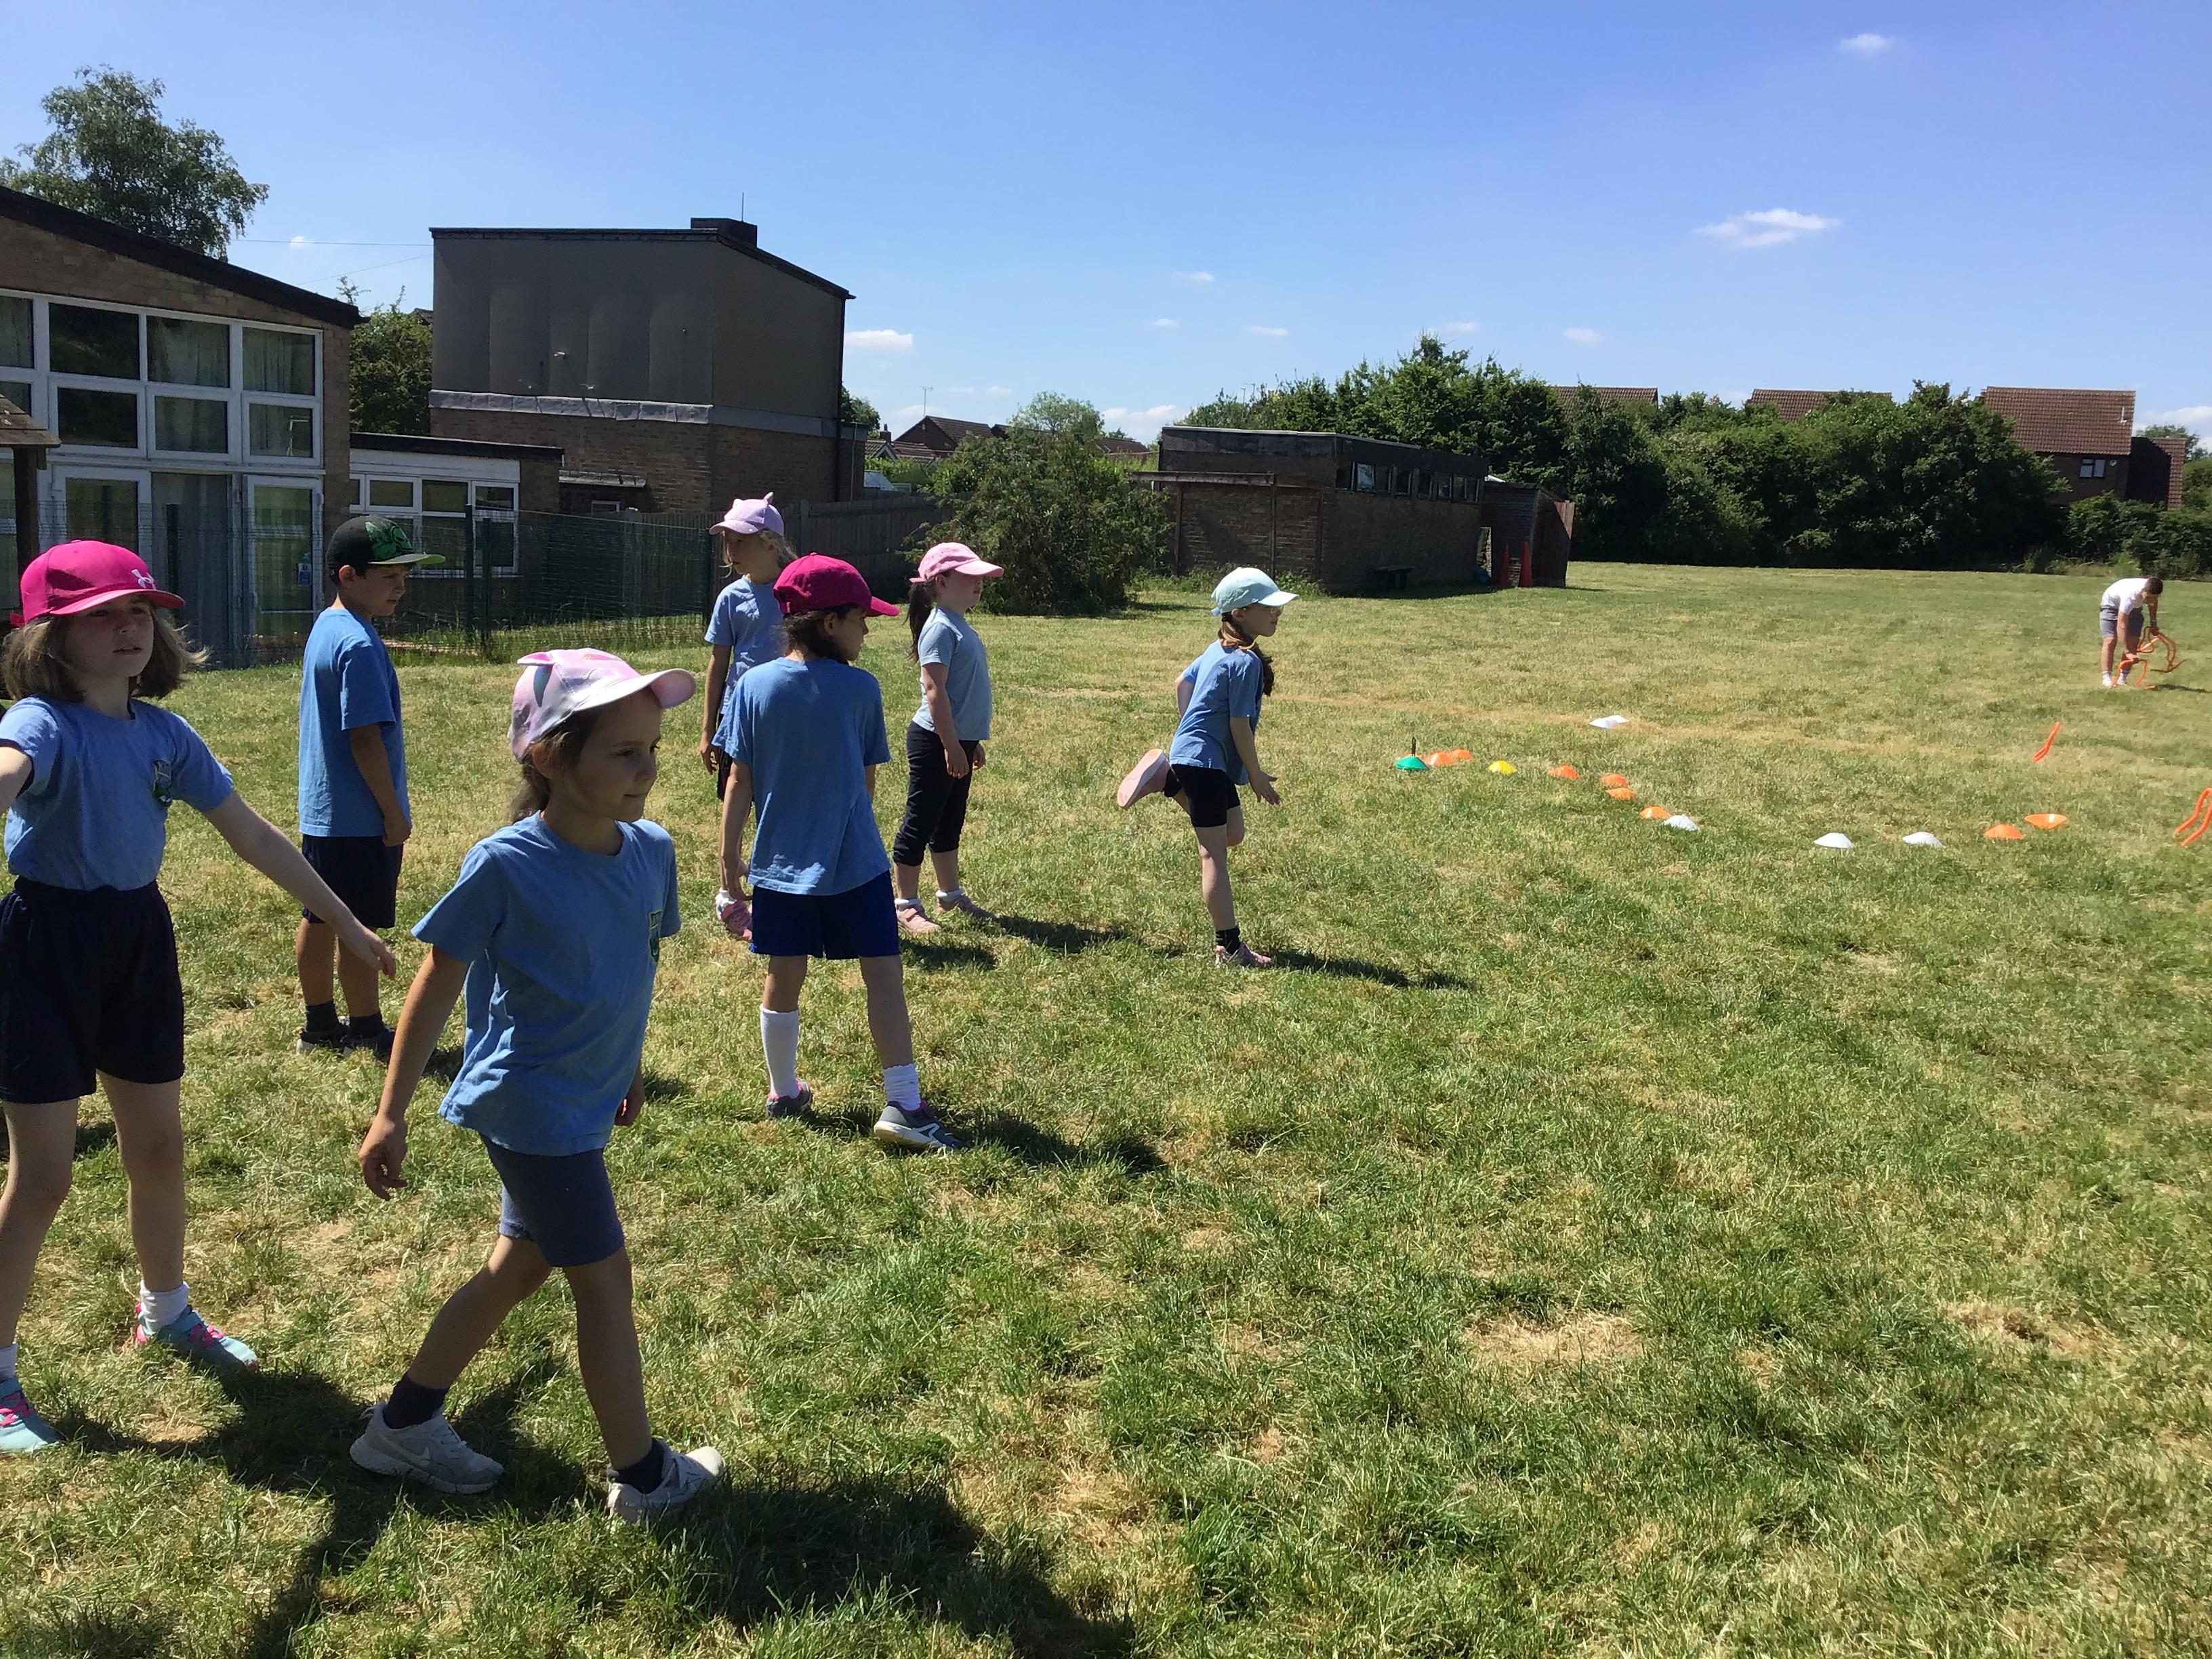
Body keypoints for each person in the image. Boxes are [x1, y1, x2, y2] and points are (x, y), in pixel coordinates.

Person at [0, 542, 396, 1456]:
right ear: (49, 637)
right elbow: (12, 764)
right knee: (46, 1174)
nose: (129, 628)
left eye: (140, 611)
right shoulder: (40, 720)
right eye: (102, 615)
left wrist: (344, 921)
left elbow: (252, 835)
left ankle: (167, 1311)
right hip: (45, 947)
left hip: (138, 941)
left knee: (159, 1146)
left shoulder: (164, 736)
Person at [352, 649, 724, 1520]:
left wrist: (629, 1067)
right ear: (550, 757)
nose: (647, 769)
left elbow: (632, 967)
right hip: (534, 1110)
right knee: (605, 1280)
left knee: (519, 1266)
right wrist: (390, 1112)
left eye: (652, 748)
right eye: (624, 752)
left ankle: (401, 1423)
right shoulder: (506, 865)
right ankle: (644, 1478)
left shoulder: (651, 852)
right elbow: (436, 983)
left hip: (582, 1101)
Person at [717, 555, 959, 1150]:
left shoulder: (752, 687)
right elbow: (866, 783)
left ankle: (783, 1091)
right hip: (856, 863)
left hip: (780, 867)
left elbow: (738, 780)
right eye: (860, 619)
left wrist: (729, 865)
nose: (867, 631)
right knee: (883, 975)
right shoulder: (861, 689)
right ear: (830, 624)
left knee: (783, 975)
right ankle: (904, 1104)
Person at [296, 514, 441, 1060]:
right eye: (388, 576)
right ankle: (364, 1028)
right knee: (357, 924)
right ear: (348, 575)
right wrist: (392, 811)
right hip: (361, 818)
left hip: (324, 812)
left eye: (404, 575)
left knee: (320, 915)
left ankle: (319, 1025)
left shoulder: (328, 626)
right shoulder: (358, 645)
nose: (400, 587)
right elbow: (364, 738)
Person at [1115, 566, 1296, 968]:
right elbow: (1238, 726)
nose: (1277, 613)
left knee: (1234, 833)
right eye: (1268, 607)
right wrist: (1255, 774)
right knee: (1213, 856)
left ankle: (1167, 778)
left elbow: (1182, 682)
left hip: (1200, 759)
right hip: (1204, 763)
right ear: (1240, 613)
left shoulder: (1218, 650)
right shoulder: (1244, 662)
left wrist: (1189, 731)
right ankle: (1228, 949)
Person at [892, 541, 1004, 935]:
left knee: (949, 819)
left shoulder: (957, 624)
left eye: (980, 577)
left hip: (958, 742)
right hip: (934, 741)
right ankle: (905, 903)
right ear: (941, 582)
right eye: (969, 577)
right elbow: (934, 690)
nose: (979, 583)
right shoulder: (940, 627)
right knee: (922, 819)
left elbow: (960, 692)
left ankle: (950, 893)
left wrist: (970, 742)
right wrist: (951, 745)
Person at [699, 493, 789, 800]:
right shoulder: (730, 598)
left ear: (771, 546)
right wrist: (708, 730)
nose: (731, 550)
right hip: (737, 710)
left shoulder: (795, 593)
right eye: (728, 542)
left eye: (741, 542)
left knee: (778, 795)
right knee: (734, 790)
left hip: (783, 708)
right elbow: (718, 664)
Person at [2100, 575, 2165, 687]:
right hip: (2111, 606)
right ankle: (2107, 679)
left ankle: (2122, 679)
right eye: (2148, 597)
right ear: (2144, 590)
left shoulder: (2152, 590)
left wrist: (2153, 623)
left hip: (2135, 609)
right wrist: (2127, 652)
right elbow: (2121, 625)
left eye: (2154, 598)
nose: (2150, 601)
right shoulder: (2130, 596)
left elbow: (2153, 604)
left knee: (2133, 642)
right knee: (2110, 640)